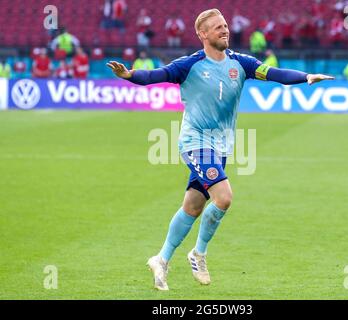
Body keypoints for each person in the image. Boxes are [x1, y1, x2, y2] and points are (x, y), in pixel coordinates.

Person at [107, 8, 334, 291]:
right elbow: (158, 75)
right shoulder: (188, 65)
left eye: (225, 26)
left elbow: (274, 73)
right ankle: (198, 254)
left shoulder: (242, 63)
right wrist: (130, 74)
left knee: (192, 206)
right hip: (195, 143)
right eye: (217, 27)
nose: (224, 30)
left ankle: (161, 259)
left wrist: (306, 77)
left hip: (220, 146)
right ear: (202, 34)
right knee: (224, 197)